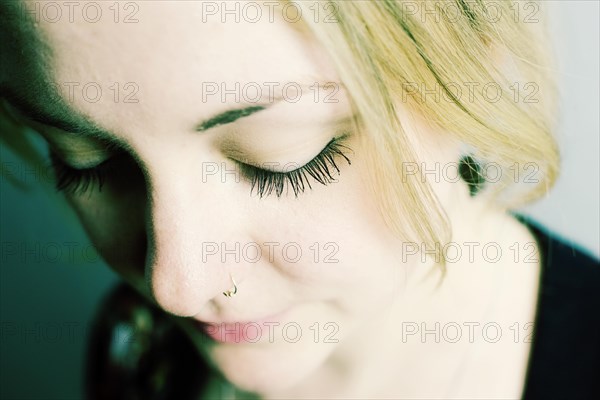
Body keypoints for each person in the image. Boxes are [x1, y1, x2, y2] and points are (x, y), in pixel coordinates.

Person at [1, 1, 598, 399]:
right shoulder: (138, 349)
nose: (174, 287)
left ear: (476, 66)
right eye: (87, 163)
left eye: (282, 160)